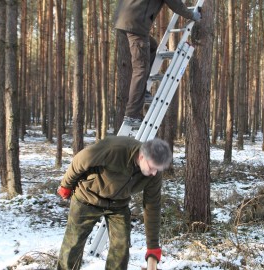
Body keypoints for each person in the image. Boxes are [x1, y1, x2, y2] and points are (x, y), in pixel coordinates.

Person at [57, 136, 173, 270]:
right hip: (87, 197)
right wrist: (66, 185)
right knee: (73, 243)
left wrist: (152, 247)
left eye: (157, 169)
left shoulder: (154, 174)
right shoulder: (115, 149)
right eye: (152, 168)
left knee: (121, 246)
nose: (154, 173)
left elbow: (152, 207)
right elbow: (80, 160)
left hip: (118, 204)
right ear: (142, 157)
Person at [114, 0, 202, 126]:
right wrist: (192, 15)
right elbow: (175, 4)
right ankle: (132, 115)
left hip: (126, 20)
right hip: (136, 24)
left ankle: (141, 92)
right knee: (140, 69)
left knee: (152, 47)